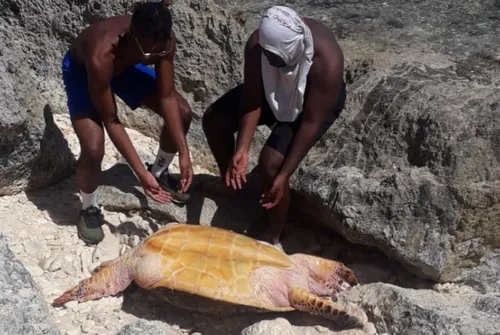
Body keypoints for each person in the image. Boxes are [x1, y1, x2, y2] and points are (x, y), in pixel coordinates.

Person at [202, 5, 347, 244]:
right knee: (215, 119)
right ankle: (233, 187)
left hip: (312, 101)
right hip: (275, 88)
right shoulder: (259, 46)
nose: (269, 59)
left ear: (291, 49)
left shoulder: (327, 61)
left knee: (271, 165)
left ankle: (275, 232)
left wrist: (284, 174)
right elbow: (252, 101)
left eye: (275, 58)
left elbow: (311, 123)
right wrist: (242, 149)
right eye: (267, 55)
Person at [61, 1, 193, 244]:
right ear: (132, 36)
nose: (155, 56)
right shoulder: (100, 52)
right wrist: (139, 174)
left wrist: (184, 152)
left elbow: (166, 97)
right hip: (86, 72)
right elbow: (112, 120)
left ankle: (160, 172)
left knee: (183, 112)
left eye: (159, 50)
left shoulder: (162, 39)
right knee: (93, 146)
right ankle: (88, 207)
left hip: (125, 68)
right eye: (150, 52)